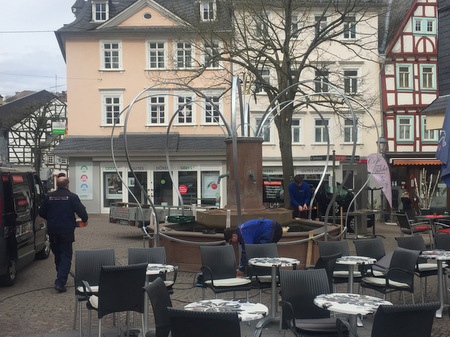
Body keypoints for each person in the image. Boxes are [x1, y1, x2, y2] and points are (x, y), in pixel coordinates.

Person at [39, 177, 88, 293]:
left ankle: (61, 275)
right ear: (67, 185)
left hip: (52, 231)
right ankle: (60, 282)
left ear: (57, 184)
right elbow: (81, 211)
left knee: (57, 254)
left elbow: (41, 212)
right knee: (66, 255)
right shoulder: (72, 197)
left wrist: (51, 219)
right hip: (66, 231)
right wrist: (85, 220)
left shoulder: (49, 197)